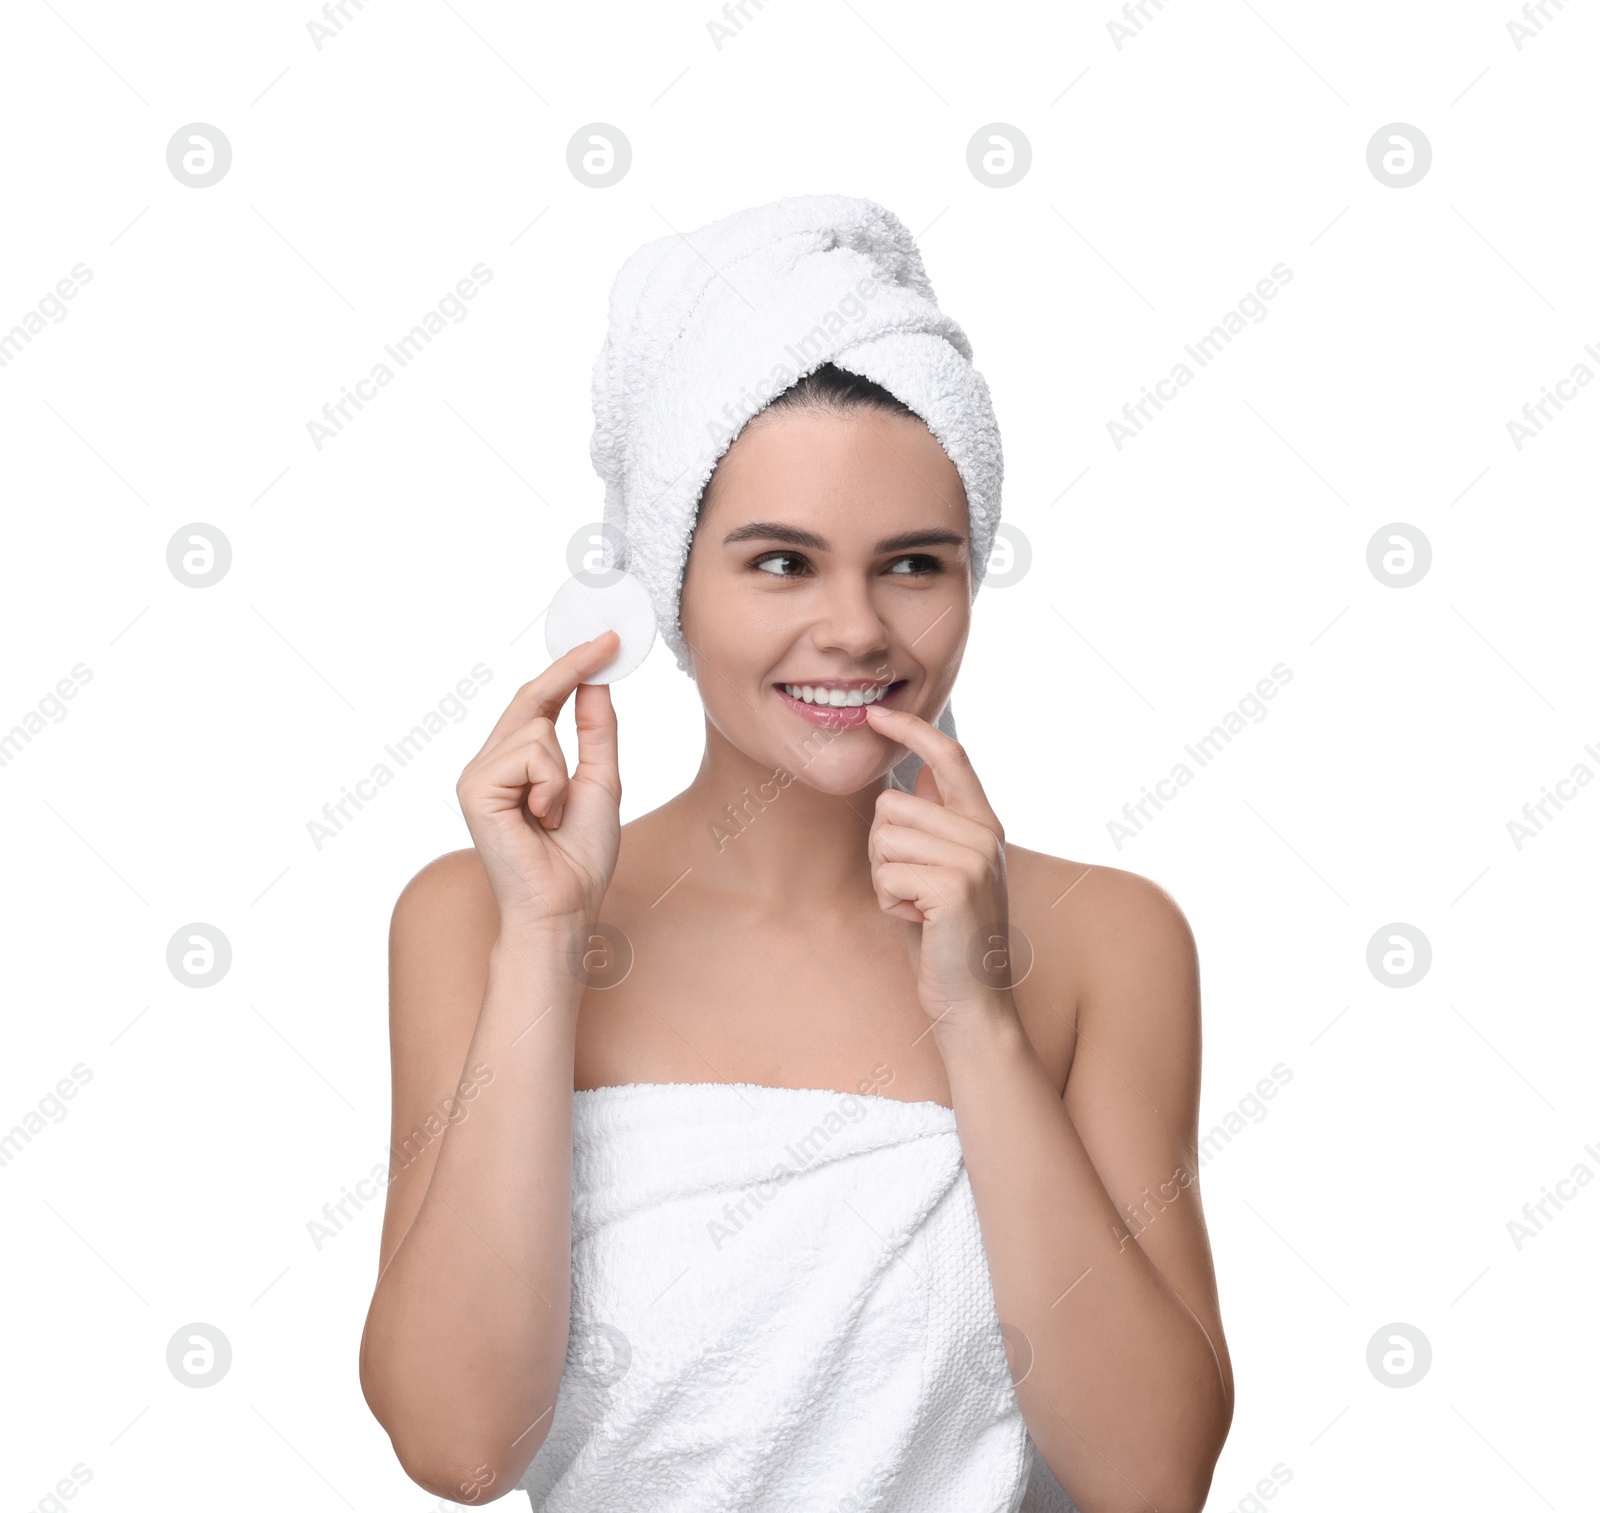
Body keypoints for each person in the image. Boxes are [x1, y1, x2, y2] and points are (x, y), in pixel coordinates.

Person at [359, 203, 1233, 1513]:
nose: (854, 628)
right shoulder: (477, 914)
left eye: (914, 565)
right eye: (780, 562)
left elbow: (1152, 1479)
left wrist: (974, 1018)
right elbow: (462, 1447)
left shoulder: (1109, 940)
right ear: (676, 582)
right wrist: (544, 943)